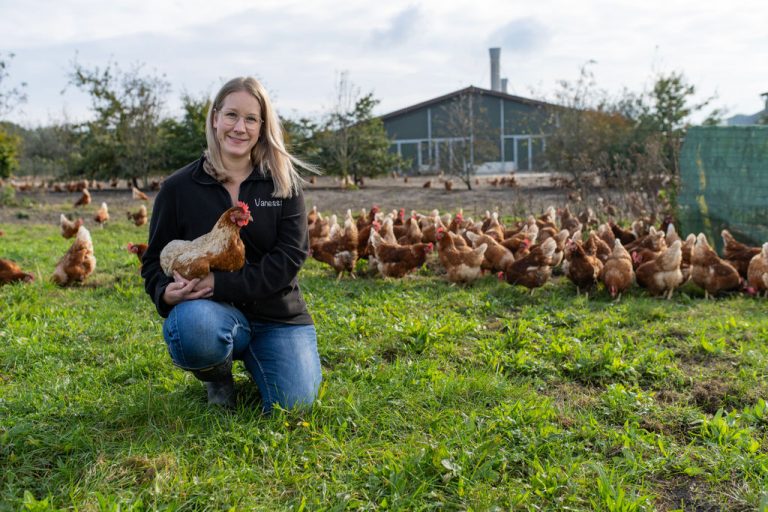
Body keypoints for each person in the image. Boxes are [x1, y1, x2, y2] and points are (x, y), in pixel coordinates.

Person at [141, 76, 321, 412]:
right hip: (212, 313)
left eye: (251, 119)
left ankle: (263, 359)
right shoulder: (179, 188)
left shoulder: (282, 183)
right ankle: (217, 374)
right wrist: (164, 292)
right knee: (192, 326)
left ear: (262, 126)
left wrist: (220, 283)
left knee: (294, 405)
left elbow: (290, 257)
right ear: (214, 119)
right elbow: (153, 261)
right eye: (231, 116)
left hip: (277, 314)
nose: (240, 127)